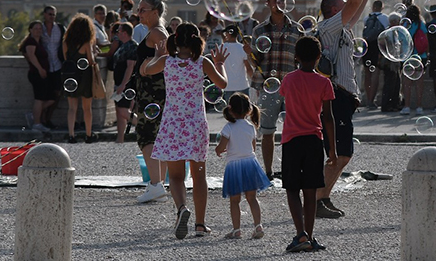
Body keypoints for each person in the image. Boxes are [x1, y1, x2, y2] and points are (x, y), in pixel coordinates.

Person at [142, 22, 228, 239]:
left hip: (172, 124)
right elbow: (223, 84)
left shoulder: (166, 62)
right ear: (197, 41)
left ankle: (181, 209)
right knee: (200, 177)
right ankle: (200, 225)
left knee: (177, 176)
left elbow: (146, 70)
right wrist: (219, 63)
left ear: (176, 40)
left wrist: (157, 54)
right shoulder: (203, 63)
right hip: (195, 125)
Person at [315, 0, 378, 219]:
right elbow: (351, 6)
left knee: (341, 155)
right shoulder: (328, 28)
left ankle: (323, 198)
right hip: (335, 97)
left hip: (344, 97)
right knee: (340, 155)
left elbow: (354, 11)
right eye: (342, 7)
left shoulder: (341, 29)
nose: (348, 11)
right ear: (332, 11)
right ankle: (319, 199)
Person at [279, 36, 336, 252]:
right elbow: (328, 118)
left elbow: (284, 95)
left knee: (292, 189)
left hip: (291, 140)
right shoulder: (324, 83)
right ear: (319, 57)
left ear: (296, 57)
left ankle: (300, 234)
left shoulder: (289, 80)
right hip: (315, 139)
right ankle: (310, 237)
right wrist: (332, 149)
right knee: (310, 191)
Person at [116, 0, 171, 203]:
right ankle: (159, 184)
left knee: (147, 136)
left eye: (143, 10)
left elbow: (167, 61)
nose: (139, 13)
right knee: (159, 137)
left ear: (156, 11)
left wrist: (149, 65)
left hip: (153, 92)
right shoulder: (156, 31)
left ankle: (156, 185)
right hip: (151, 91)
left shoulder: (157, 33)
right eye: (139, 9)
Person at [245, 0, 303, 180]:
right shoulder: (259, 30)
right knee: (267, 131)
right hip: (267, 86)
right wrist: (249, 53)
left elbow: (302, 59)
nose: (280, 3)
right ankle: (268, 172)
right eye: (276, 0)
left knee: (293, 131)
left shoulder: (297, 29)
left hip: (292, 86)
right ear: (268, 4)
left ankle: (291, 170)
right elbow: (256, 61)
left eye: (283, 0)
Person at [215, 92, 269, 240]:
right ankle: (258, 226)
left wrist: (218, 150)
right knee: (252, 198)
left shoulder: (228, 127)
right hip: (250, 164)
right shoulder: (251, 127)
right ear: (249, 110)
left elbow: (221, 147)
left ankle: (237, 230)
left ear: (230, 109)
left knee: (235, 200)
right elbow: (253, 147)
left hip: (234, 166)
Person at [61, 14, 98, 144]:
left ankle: (71, 135)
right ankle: (88, 135)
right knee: (87, 108)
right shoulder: (86, 42)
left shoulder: (65, 42)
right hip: (85, 76)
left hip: (70, 76)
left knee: (72, 108)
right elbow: (91, 61)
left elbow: (66, 59)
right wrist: (95, 52)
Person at [19, 21, 54, 133]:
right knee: (39, 98)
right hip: (36, 73)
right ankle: (37, 123)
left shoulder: (39, 42)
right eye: (36, 28)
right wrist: (40, 69)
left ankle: (33, 115)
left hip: (41, 73)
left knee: (51, 98)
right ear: (30, 30)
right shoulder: (31, 42)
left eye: (40, 28)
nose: (38, 30)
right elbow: (31, 55)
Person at [111, 22, 138, 144]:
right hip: (120, 82)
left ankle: (143, 126)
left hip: (126, 84)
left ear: (125, 33)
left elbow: (130, 67)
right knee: (119, 110)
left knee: (123, 110)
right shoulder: (123, 45)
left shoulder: (132, 46)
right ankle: (120, 138)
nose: (117, 33)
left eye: (119, 31)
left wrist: (123, 84)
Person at [400, 4, 428, 116]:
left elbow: (401, 42)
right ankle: (419, 106)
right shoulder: (421, 24)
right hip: (421, 56)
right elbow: (426, 41)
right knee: (419, 83)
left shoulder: (405, 25)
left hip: (407, 57)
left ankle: (406, 106)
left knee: (406, 83)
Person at [40, 5, 66, 129]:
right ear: (44, 15)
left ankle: (47, 118)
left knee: (57, 94)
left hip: (57, 66)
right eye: (49, 14)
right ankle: (40, 118)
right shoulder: (39, 28)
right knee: (44, 94)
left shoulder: (60, 28)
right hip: (44, 66)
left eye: (53, 14)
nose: (52, 17)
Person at [361, 0, 389, 109]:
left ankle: (368, 98)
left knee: (367, 73)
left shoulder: (366, 18)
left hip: (367, 47)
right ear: (382, 7)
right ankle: (372, 100)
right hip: (378, 47)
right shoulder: (385, 18)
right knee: (375, 74)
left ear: (373, 7)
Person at [380, 13, 404, 112]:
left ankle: (395, 103)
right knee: (389, 83)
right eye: (398, 22)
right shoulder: (388, 32)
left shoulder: (394, 32)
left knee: (396, 83)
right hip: (389, 63)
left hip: (395, 61)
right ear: (394, 22)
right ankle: (387, 105)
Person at [221, 26, 252, 102]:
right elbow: (248, 67)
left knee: (230, 111)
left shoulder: (221, 48)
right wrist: (255, 82)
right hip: (242, 85)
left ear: (228, 34)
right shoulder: (243, 48)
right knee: (244, 111)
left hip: (227, 86)